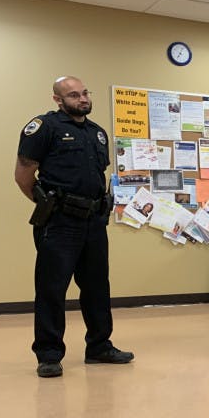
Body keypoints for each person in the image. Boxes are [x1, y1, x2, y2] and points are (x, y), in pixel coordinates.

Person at [14, 76, 134, 378]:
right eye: (73, 95)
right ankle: (49, 354)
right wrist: (50, 207)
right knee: (52, 289)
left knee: (97, 287)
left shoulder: (97, 133)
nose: (82, 99)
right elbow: (23, 176)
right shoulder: (44, 128)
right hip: (59, 222)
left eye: (84, 93)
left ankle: (99, 346)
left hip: (94, 221)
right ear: (58, 99)